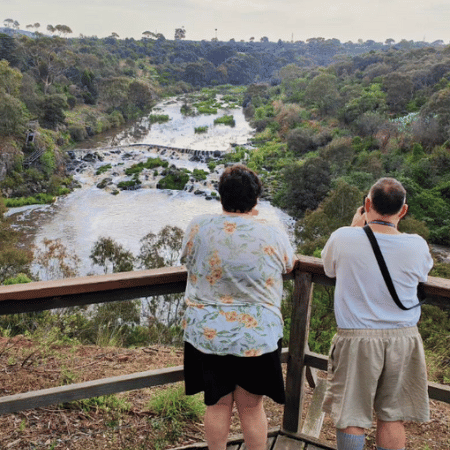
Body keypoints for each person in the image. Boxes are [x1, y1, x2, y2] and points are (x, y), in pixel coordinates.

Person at [181, 164, 296, 450]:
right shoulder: (271, 231)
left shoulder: (199, 225)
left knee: (217, 405)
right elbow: (289, 264)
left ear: (221, 196)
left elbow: (186, 257)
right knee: (251, 408)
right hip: (255, 336)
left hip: (209, 333)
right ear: (256, 199)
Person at [321, 177, 433, 450]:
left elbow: (329, 269)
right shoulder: (417, 244)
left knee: (351, 415)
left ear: (367, 204)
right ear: (402, 211)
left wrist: (353, 227)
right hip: (404, 339)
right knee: (393, 417)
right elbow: (422, 274)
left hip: (356, 338)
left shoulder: (343, 237)